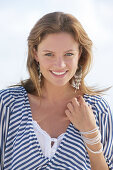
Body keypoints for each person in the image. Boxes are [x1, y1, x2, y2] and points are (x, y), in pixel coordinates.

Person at [0, 12, 113, 170]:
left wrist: (91, 134)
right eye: (49, 54)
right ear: (35, 54)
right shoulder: (7, 105)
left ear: (80, 54)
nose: (60, 64)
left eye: (68, 54)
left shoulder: (98, 110)